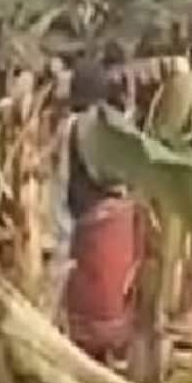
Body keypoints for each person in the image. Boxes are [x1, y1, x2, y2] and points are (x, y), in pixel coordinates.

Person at [61, 61, 141, 365]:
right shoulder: (112, 123)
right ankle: (114, 352)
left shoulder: (74, 126)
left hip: (89, 219)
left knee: (92, 293)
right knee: (113, 293)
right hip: (118, 217)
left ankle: (92, 352)